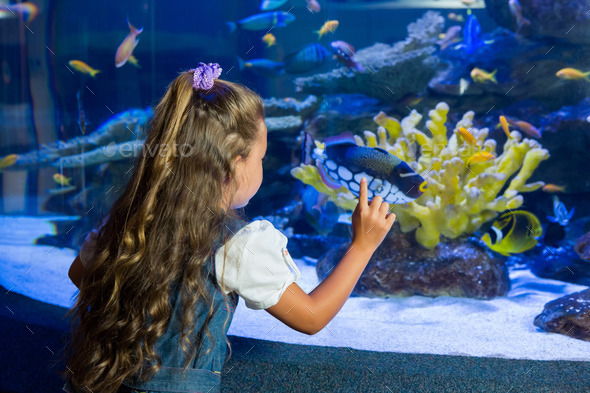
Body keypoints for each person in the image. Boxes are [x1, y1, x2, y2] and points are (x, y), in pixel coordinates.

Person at [60, 62, 396, 393]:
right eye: (261, 157)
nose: (262, 166)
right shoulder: (235, 244)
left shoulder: (128, 219)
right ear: (234, 165)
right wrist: (361, 246)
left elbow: (81, 275)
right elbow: (311, 317)